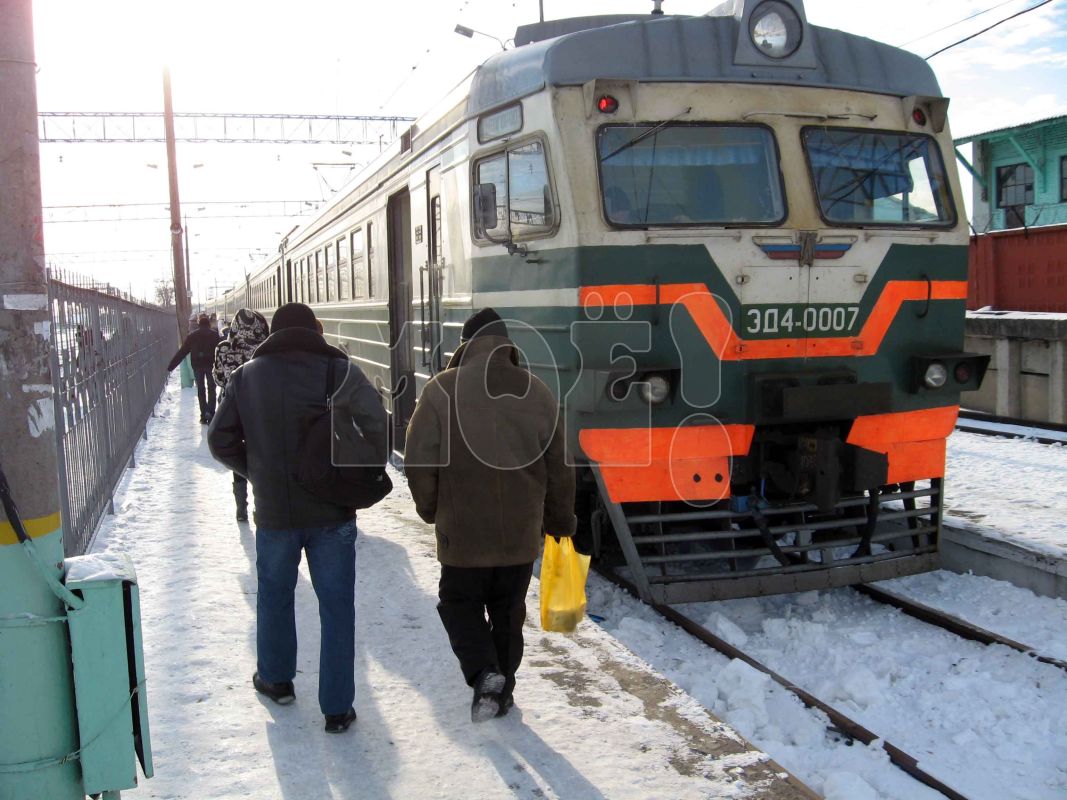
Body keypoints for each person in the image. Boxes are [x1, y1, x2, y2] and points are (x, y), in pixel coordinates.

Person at [207, 302, 387, 734]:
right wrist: (352, 467)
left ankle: (276, 680)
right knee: (337, 608)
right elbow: (378, 425)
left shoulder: (246, 376)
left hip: (274, 514)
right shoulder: (339, 371)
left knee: (275, 596)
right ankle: (338, 708)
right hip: (332, 513)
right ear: (314, 331)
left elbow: (219, 439)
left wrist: (259, 472)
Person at [404, 308, 576, 723]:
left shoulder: (442, 389)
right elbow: (560, 467)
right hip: (519, 534)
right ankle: (504, 692)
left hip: (463, 533)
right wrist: (558, 522)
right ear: (507, 345)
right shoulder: (537, 392)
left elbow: (418, 461)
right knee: (508, 611)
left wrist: (431, 509)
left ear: (465, 344)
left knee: (458, 603)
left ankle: (485, 673)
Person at [211, 307, 269, 522]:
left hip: (231, 409)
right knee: (260, 451)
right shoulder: (265, 347)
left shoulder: (223, 348)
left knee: (238, 453)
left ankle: (240, 508)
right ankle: (261, 500)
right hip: (260, 407)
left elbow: (217, 378)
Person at [167, 313, 223, 423]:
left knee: (201, 390)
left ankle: (203, 415)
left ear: (198, 324)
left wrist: (171, 366)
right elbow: (221, 351)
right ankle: (211, 413)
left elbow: (182, 352)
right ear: (208, 324)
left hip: (198, 367)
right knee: (212, 389)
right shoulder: (215, 335)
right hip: (211, 366)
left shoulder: (192, 336)